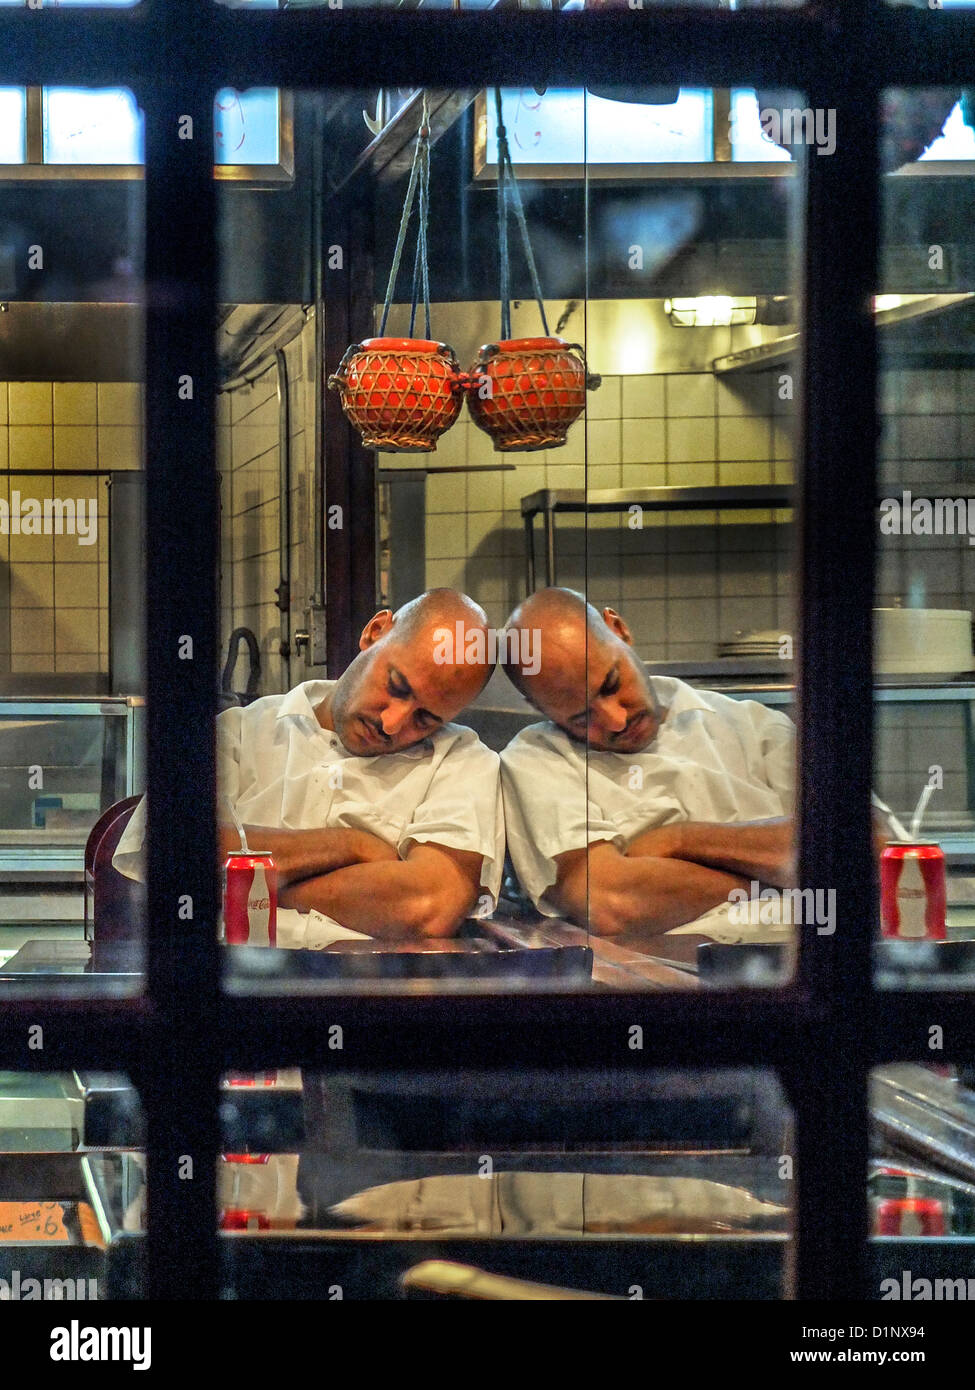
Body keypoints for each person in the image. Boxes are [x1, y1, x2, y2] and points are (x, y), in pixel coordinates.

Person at [115, 589, 504, 941]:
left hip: (372, 999)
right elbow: (170, 848)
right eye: (397, 686)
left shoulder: (461, 763)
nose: (392, 723)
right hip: (232, 992)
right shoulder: (235, 735)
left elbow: (427, 905)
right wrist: (353, 845)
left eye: (425, 719)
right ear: (375, 631)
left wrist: (250, 892)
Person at [498, 587, 798, 943]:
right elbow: (612, 902)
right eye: (582, 718)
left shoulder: (756, 728)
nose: (616, 720)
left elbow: (860, 846)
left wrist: (679, 839)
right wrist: (784, 882)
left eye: (611, 684)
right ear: (540, 708)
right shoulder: (538, 762)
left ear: (619, 629)